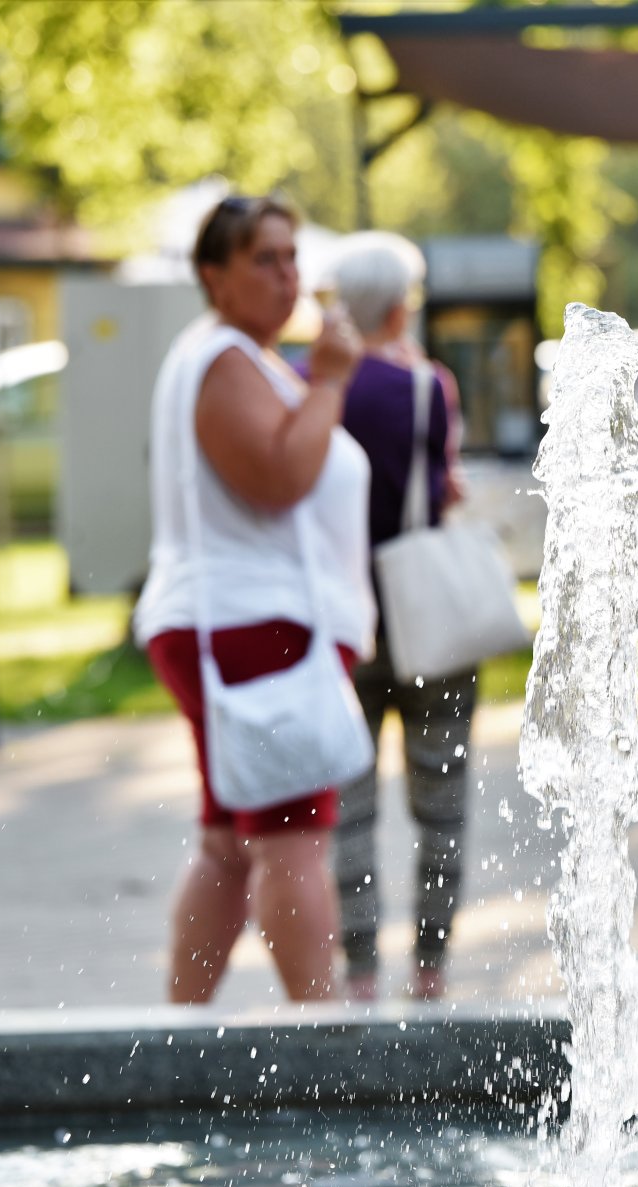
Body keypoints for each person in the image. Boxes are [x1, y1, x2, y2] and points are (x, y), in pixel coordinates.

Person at [132, 195, 374, 1004]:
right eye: (264, 260)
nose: (287, 276)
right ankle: (323, 1036)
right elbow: (279, 478)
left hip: (233, 620)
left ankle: (180, 1036)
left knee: (227, 843)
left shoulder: (233, 356)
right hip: (255, 627)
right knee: (292, 840)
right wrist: (331, 383)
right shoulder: (226, 358)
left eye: (292, 258)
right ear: (215, 275)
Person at [326, 231, 475, 1003]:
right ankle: (429, 969)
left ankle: (357, 974)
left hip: (344, 624)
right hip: (430, 621)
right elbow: (438, 485)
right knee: (440, 806)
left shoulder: (307, 384)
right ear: (397, 305)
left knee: (347, 812)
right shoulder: (425, 388)